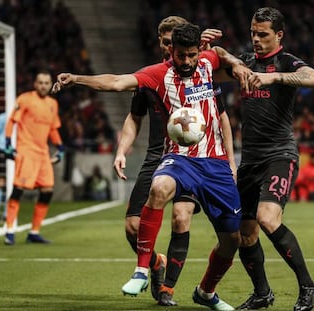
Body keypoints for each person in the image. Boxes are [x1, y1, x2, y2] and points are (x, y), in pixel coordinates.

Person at [53, 22, 251, 311]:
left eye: (191, 55)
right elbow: (117, 82)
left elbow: (219, 54)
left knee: (233, 239)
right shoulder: (158, 74)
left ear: (199, 52)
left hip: (215, 162)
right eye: (180, 55)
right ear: (171, 50)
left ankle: (206, 292)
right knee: (158, 189)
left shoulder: (208, 62)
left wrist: (234, 62)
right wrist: (77, 79)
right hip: (179, 158)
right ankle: (142, 271)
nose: (186, 61)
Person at [113, 16, 229, 306]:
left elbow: (221, 113)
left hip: (192, 157)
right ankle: (154, 263)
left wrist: (229, 159)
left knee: (180, 218)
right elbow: (134, 118)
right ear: (162, 43)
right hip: (157, 156)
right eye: (166, 43)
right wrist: (121, 150)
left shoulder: (201, 72)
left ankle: (167, 289)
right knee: (132, 227)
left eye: (173, 44)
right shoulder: (152, 77)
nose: (169, 49)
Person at [234, 7, 314, 311]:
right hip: (249, 160)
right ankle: (262, 294)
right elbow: (218, 60)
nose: (256, 39)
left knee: (267, 218)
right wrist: (212, 47)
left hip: (279, 155)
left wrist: (275, 79)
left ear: (279, 35)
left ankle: (308, 287)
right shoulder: (245, 62)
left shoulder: (286, 62)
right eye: (253, 33)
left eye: (263, 34)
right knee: (245, 234)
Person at [4, 70, 64, 245]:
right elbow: (11, 121)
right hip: (26, 151)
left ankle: (34, 232)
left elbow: (53, 128)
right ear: (35, 84)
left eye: (46, 83)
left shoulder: (53, 104)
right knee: (18, 190)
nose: (43, 86)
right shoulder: (25, 99)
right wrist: (8, 143)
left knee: (47, 191)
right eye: (40, 82)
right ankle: (9, 231)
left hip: (43, 153)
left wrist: (60, 147)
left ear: (50, 84)